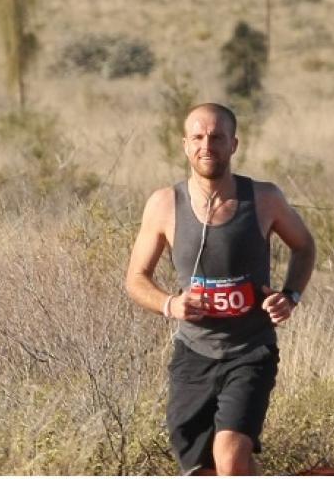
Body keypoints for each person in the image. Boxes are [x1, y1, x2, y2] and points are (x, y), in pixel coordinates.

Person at [125, 102, 315, 476]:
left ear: (234, 144)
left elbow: (304, 245)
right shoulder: (164, 204)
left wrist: (290, 295)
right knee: (201, 468)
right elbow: (135, 279)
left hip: (251, 350)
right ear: (185, 144)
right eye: (197, 137)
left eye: (217, 137)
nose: (206, 146)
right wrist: (170, 305)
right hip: (193, 354)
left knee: (229, 458)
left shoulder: (263, 198)